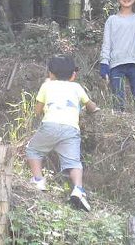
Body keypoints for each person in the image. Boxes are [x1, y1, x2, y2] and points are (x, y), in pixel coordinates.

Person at [25, 55, 99, 211]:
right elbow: (91, 107)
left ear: (50, 74)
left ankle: (38, 180)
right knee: (73, 163)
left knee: (33, 149)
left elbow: (37, 112)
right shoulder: (77, 87)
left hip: (50, 125)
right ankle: (78, 189)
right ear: (73, 75)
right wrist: (93, 109)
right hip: (71, 129)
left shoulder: (46, 86)